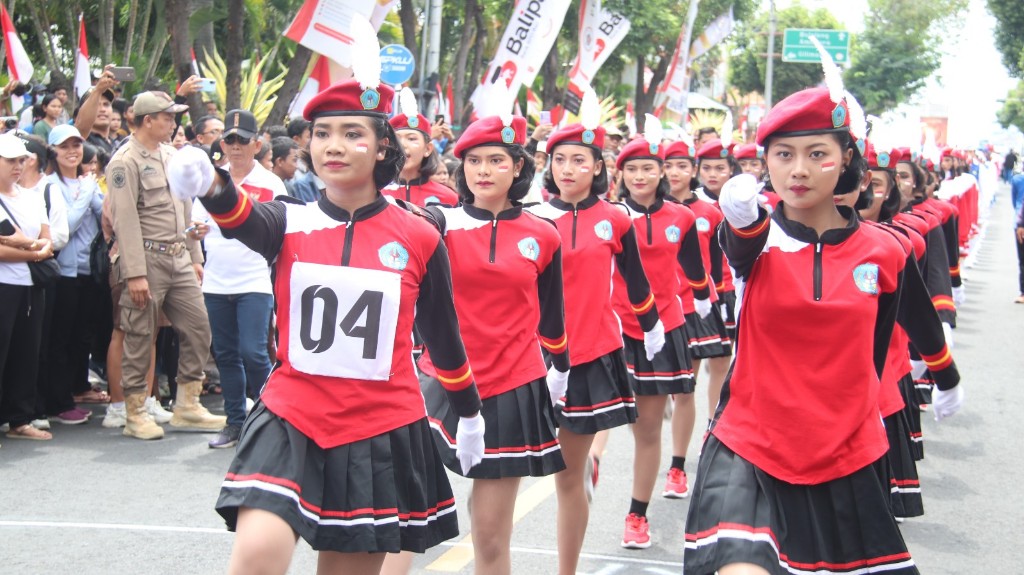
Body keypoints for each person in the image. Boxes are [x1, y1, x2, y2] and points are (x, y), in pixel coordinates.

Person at [169, 67, 486, 574]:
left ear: (383, 147)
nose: (333, 145)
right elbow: (240, 215)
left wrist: (468, 413)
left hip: (380, 424)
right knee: (257, 552)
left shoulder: (421, 235)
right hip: (294, 412)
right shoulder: (289, 219)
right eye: (322, 133)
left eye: (352, 133)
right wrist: (210, 182)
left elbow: (444, 336)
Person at [683, 86, 962, 575]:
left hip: (845, 451)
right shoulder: (757, 241)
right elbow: (741, 242)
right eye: (783, 155)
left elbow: (917, 319)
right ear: (765, 162)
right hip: (750, 444)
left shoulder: (885, 250)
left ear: (846, 159)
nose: (799, 170)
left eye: (818, 154)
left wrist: (946, 377)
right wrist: (742, 218)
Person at [418, 113, 569, 575]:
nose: (482, 170)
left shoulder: (544, 233)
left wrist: (560, 367)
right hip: (438, 380)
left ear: (518, 168)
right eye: (474, 160)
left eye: (496, 160)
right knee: (405, 523)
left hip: (511, 389)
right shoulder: (437, 223)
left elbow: (552, 314)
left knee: (488, 535)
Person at [526, 118, 663, 574]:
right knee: (507, 474)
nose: (568, 169)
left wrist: (652, 325)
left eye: (579, 160)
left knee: (569, 477)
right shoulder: (533, 217)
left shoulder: (615, 218)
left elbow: (636, 281)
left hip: (592, 356)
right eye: (559, 160)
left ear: (597, 167)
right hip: (534, 358)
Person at [612, 124, 711, 549]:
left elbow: (694, 268)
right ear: (620, 174)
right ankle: (588, 468)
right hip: (613, 328)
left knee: (647, 430)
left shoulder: (683, 217)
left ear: (662, 173)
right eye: (632, 168)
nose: (640, 176)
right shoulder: (610, 216)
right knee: (602, 418)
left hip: (663, 329)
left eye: (648, 168)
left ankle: (637, 514)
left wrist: (708, 301)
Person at [106, 91, 222, 440]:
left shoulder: (172, 155)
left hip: (178, 256)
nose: (173, 123)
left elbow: (185, 207)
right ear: (147, 120)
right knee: (140, 335)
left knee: (200, 325)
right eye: (167, 117)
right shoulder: (124, 161)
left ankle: (187, 403)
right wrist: (135, 273)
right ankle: (135, 411)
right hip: (146, 258)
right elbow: (124, 220)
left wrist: (196, 253)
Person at [191, 108, 284, 449]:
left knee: (254, 353)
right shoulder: (212, 179)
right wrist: (195, 231)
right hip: (216, 280)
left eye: (242, 141)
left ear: (256, 144)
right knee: (226, 354)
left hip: (255, 280)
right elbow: (195, 223)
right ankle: (235, 422)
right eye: (228, 140)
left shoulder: (271, 183)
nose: (234, 146)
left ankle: (268, 421)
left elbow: (279, 228)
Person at [43, 125, 105, 425]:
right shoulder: (49, 184)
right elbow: (64, 227)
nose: (72, 151)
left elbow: (105, 214)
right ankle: (58, 400)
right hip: (62, 272)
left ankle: (76, 388)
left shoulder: (86, 182)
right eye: (64, 146)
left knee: (82, 335)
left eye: (76, 145)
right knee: (61, 337)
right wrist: (87, 193)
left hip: (89, 270)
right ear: (53, 152)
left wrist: (92, 191)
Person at [0, 134, 57, 441]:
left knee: (27, 351)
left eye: (20, 160)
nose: (17, 166)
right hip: (3, 284)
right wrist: (34, 251)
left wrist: (30, 247)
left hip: (31, 286)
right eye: (10, 160)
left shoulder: (32, 197)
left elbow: (47, 238)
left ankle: (20, 419)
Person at [382, 92, 459, 207]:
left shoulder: (448, 198)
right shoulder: (376, 194)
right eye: (397, 139)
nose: (403, 145)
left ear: (428, 149)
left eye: (412, 139)